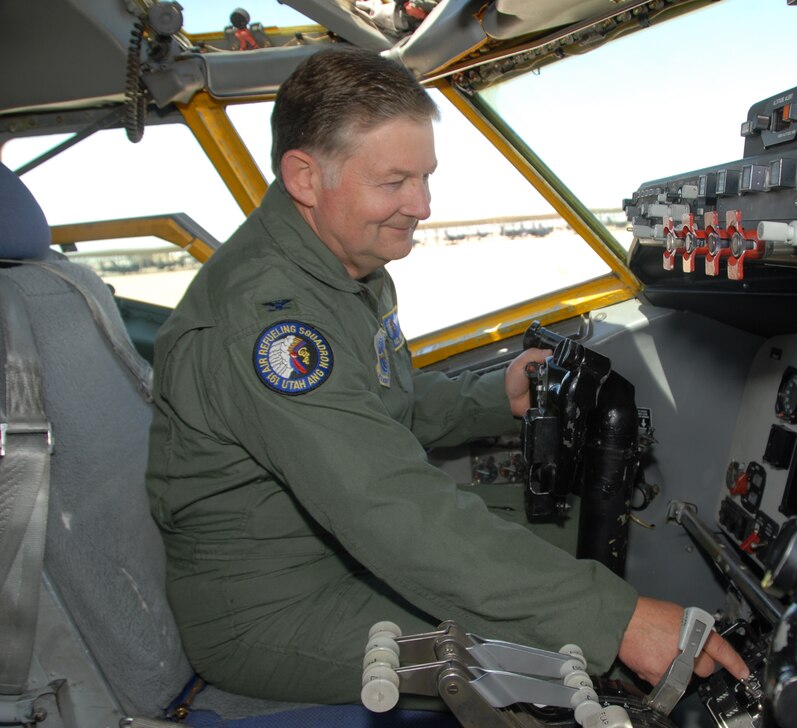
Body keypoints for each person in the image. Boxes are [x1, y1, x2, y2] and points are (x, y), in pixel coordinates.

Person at [145, 47, 748, 705]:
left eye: (427, 177)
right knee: (547, 653)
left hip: (332, 544)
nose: (423, 205)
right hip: (270, 607)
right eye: (395, 181)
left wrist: (495, 396)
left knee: (569, 521)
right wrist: (618, 622)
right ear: (306, 178)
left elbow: (383, 400)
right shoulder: (269, 322)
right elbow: (385, 504)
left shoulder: (344, 269)